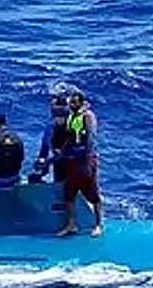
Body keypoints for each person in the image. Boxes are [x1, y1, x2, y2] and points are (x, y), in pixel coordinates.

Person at [58, 89, 104, 237]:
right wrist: (63, 153)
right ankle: (72, 224)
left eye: (75, 102)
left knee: (93, 192)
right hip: (73, 160)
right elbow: (70, 137)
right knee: (69, 193)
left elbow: (90, 138)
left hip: (86, 159)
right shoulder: (71, 117)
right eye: (71, 102)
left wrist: (87, 160)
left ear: (82, 103)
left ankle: (98, 224)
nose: (72, 104)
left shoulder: (88, 116)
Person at [34, 84, 73, 183]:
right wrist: (41, 161)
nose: (58, 120)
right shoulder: (50, 128)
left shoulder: (73, 127)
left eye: (61, 117)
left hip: (72, 160)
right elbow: (44, 148)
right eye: (56, 117)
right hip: (58, 159)